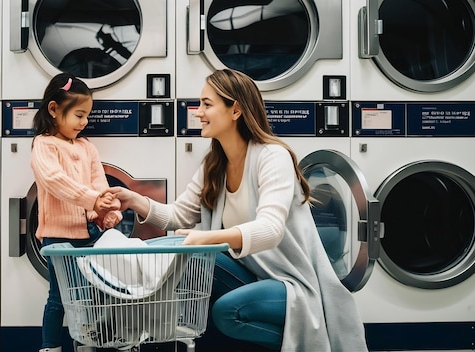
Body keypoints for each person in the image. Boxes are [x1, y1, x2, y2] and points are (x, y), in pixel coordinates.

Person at [107, 69, 368, 351]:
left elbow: (271, 229)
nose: (198, 112)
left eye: (207, 104)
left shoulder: (271, 156)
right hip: (248, 273)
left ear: (235, 110)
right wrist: (132, 199)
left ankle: (309, 344)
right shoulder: (215, 164)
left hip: (290, 283)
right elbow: (177, 216)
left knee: (227, 309)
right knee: (196, 262)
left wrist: (210, 238)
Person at [31, 72, 122, 352]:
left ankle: (86, 343)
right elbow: (55, 182)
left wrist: (107, 212)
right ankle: (50, 347)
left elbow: (99, 184)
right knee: (59, 296)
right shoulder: (44, 145)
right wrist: (93, 200)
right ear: (54, 110)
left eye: (87, 117)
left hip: (90, 234)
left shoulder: (86, 147)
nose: (84, 123)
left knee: (94, 293)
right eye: (79, 115)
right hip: (58, 237)